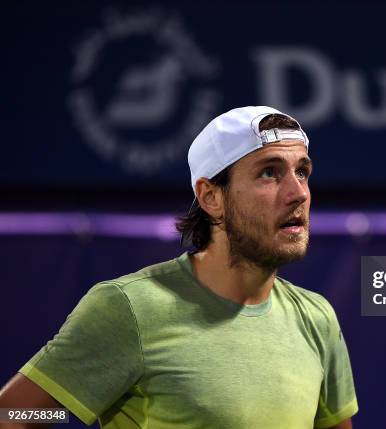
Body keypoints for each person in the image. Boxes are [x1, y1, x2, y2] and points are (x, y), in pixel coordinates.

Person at [0, 106, 358, 429]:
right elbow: (13, 415)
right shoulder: (129, 309)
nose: (298, 193)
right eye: (269, 172)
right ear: (211, 197)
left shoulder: (317, 318)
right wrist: (60, 412)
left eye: (303, 171)